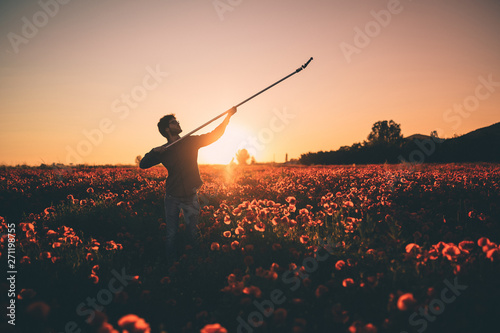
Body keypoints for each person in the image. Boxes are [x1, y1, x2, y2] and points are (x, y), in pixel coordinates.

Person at [139, 107, 237, 266]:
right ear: (167, 129)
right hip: (172, 198)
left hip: (191, 196)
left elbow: (214, 135)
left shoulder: (190, 141)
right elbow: (143, 164)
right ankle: (171, 265)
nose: (177, 123)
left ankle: (196, 261)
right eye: (173, 122)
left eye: (176, 121)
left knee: (193, 233)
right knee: (171, 234)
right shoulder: (163, 151)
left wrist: (227, 117)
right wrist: (153, 152)